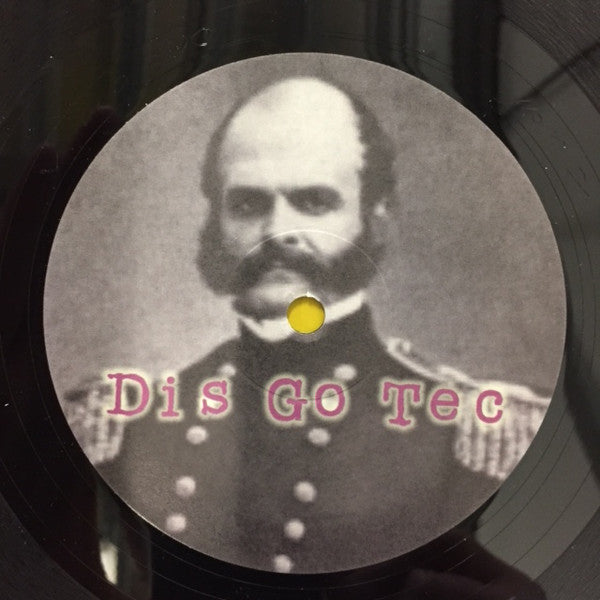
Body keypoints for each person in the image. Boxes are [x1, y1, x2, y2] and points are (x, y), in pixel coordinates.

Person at [70, 77, 549, 573]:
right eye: (248, 204)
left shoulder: (468, 434)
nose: (278, 232)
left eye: (314, 202)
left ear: (376, 216)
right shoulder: (128, 425)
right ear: (215, 221)